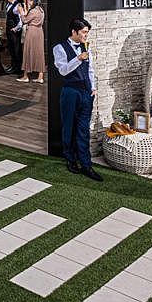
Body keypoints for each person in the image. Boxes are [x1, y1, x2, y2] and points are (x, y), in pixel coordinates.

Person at [54, 18, 102, 181]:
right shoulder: (59, 48)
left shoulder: (86, 47)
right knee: (69, 126)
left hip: (86, 93)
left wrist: (93, 87)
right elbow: (63, 70)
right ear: (74, 32)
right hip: (70, 92)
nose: (86, 35)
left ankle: (86, 165)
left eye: (87, 32)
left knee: (83, 129)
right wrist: (78, 58)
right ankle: (70, 159)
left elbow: (90, 70)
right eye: (84, 32)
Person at [17, 0, 46, 83]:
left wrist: (21, 12)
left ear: (33, 1)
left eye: (29, 0)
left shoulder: (33, 11)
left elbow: (25, 20)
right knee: (39, 53)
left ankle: (25, 76)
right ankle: (40, 77)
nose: (28, 2)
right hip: (39, 32)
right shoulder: (41, 10)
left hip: (32, 32)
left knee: (27, 51)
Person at [4, 0, 24, 74]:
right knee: (11, 49)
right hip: (9, 30)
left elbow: (21, 19)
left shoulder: (18, 5)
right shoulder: (8, 4)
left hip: (15, 32)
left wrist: (16, 28)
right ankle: (13, 66)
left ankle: (19, 68)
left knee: (17, 49)